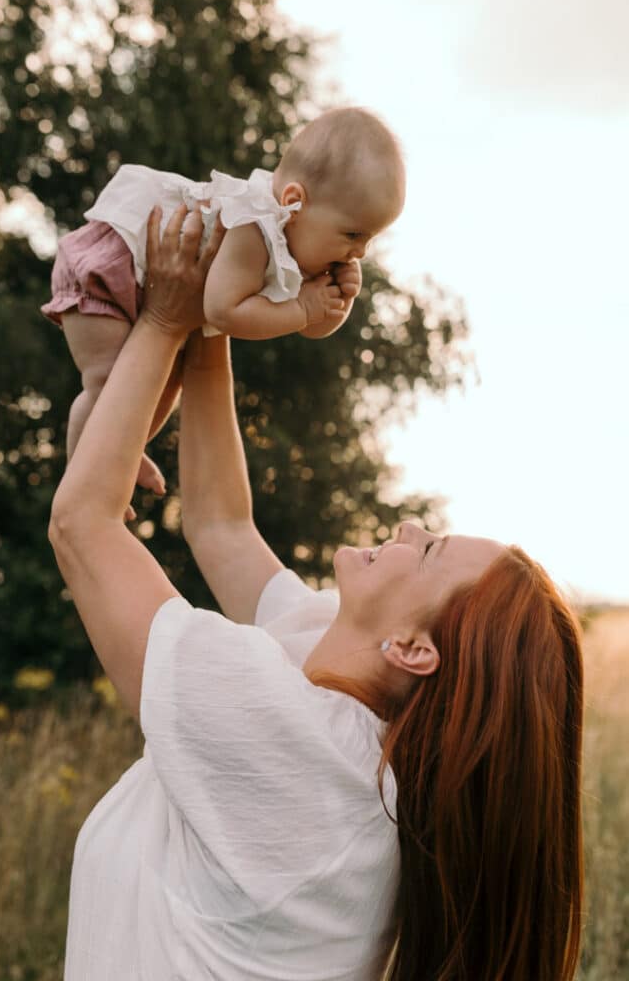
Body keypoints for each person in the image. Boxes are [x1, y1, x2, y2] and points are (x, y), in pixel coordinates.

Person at [49, 206, 584, 981]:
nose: (405, 526)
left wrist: (164, 321)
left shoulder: (302, 758)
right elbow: (220, 525)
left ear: (411, 649)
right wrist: (215, 312)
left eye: (427, 549)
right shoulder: (334, 676)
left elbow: (82, 526)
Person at [42, 107, 405, 499]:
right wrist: (303, 307)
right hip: (111, 274)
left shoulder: (303, 243)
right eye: (353, 233)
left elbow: (312, 327)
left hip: (143, 294)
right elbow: (223, 311)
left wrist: (339, 301)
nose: (361, 251)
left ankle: (121, 451)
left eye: (370, 238)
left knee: (160, 383)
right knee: (106, 384)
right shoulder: (252, 225)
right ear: (294, 202)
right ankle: (81, 481)